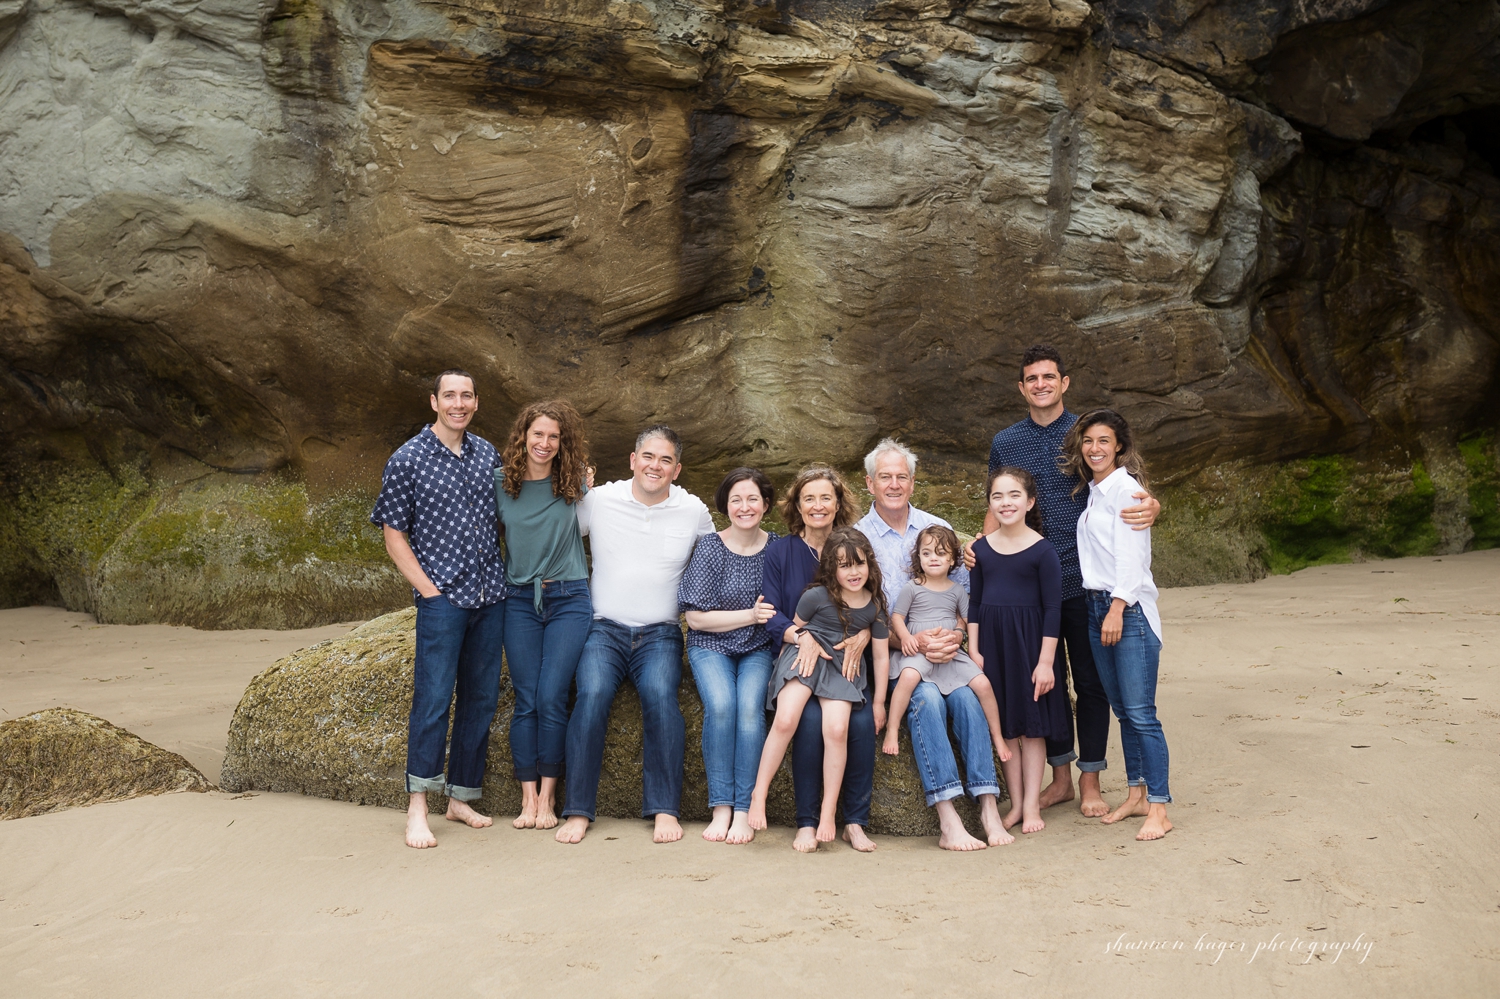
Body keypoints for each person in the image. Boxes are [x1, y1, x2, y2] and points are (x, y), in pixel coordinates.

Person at [967, 344, 1159, 818]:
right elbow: (999, 500)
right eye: (1032, 378)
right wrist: (980, 547)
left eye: (1049, 377)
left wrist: (1153, 504)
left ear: (1064, 382)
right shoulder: (1006, 441)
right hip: (1029, 587)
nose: (1041, 385)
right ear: (1021, 387)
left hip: (1084, 584)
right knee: (1046, 683)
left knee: (1091, 685)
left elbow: (1122, 483)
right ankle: (1059, 780)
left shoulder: (1083, 434)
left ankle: (1090, 780)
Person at [555, 426, 715, 846]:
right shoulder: (601, 500)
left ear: (677, 469)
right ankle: (577, 811)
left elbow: (717, 556)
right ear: (632, 460)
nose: (655, 466)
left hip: (661, 633)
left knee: (661, 696)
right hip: (603, 628)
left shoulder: (693, 509)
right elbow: (557, 529)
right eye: (648, 456)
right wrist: (573, 485)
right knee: (591, 695)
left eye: (665, 460)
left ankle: (665, 809)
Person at [371, 369, 507, 849]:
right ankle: (418, 807)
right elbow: (393, 532)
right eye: (449, 395)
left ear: (476, 402)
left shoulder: (487, 454)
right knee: (432, 701)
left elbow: (509, 512)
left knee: (480, 699)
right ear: (434, 401)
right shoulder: (407, 459)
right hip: (443, 599)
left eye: (466, 396)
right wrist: (428, 591)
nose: (458, 404)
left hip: (491, 596)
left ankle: (461, 798)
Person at [856, 439, 1009, 850]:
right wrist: (909, 641)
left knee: (969, 700)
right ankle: (948, 818)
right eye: (884, 477)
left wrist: (955, 636)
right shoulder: (856, 538)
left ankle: (988, 806)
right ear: (870, 483)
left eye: (901, 477)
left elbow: (964, 596)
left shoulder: (935, 528)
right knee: (927, 700)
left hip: (948, 652)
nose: (893, 484)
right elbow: (857, 608)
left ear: (912, 482)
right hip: (898, 654)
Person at [1062, 409, 1172, 841]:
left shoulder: (1126, 491)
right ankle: (1136, 795)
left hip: (1125, 610)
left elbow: (1133, 559)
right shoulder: (1096, 491)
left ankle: (1159, 807)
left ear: (1119, 446)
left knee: (1142, 714)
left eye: (1104, 441)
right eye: (1088, 441)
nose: (1095, 449)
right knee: (1123, 711)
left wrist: (1117, 608)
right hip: (1097, 606)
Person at [760, 465, 875, 852]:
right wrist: (800, 636)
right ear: (797, 505)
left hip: (844, 661)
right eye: (809, 498)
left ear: (839, 503)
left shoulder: (854, 547)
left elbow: (874, 600)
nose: (818, 505)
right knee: (807, 722)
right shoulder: (780, 551)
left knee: (860, 722)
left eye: (826, 497)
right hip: (801, 657)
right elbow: (771, 612)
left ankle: (854, 821)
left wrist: (864, 633)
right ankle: (807, 822)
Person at [750, 528, 890, 844]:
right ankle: (759, 793)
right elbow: (794, 633)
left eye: (859, 563)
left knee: (837, 730)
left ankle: (828, 812)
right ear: (831, 568)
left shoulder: (875, 607)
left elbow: (881, 658)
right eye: (844, 565)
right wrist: (780, 675)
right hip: (807, 656)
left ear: (870, 563)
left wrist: (879, 702)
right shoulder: (816, 596)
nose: (853, 572)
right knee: (786, 719)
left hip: (841, 667)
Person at [495, 399, 592, 831]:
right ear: (524, 436)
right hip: (518, 600)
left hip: (569, 598)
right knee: (528, 699)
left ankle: (550, 796)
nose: (545, 443)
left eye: (554, 436)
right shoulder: (500, 484)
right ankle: (528, 796)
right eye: (538, 434)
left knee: (552, 695)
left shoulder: (574, 482)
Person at [677, 468, 780, 845]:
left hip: (758, 647)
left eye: (753, 499)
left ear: (765, 504)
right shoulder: (710, 547)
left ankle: (744, 808)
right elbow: (696, 618)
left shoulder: (777, 548)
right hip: (710, 645)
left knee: (750, 711)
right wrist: (750, 615)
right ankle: (720, 806)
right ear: (725, 505)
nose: (744, 506)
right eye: (736, 499)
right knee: (721, 705)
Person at [968, 467, 1066, 834]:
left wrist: (1046, 662)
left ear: (1030, 502)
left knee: (1031, 728)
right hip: (993, 646)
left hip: (1031, 648)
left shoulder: (1043, 551)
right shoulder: (980, 551)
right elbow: (974, 604)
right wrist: (974, 649)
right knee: (1007, 726)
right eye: (997, 496)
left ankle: (1032, 806)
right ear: (989, 504)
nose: (1005, 503)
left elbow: (1053, 609)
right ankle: (1015, 804)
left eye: (1014, 495)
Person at [883, 525, 1007, 766]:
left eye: (940, 553)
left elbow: (970, 620)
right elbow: (897, 617)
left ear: (952, 559)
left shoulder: (957, 590)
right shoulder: (913, 587)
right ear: (918, 557)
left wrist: (972, 648)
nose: (933, 558)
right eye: (926, 553)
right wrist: (906, 637)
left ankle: (998, 737)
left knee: (983, 684)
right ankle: (892, 729)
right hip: (919, 650)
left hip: (951, 652)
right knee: (908, 677)